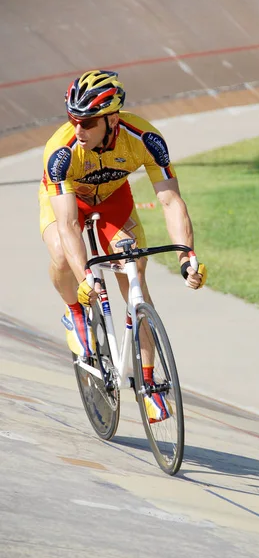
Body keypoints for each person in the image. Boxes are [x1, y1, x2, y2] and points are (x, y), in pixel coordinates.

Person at [39, 69, 207, 422]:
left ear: (112, 119)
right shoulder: (62, 150)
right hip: (69, 203)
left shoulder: (144, 138)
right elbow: (69, 225)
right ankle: (75, 316)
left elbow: (171, 201)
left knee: (135, 280)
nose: (78, 130)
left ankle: (149, 384)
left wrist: (186, 256)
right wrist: (84, 276)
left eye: (86, 122)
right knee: (62, 256)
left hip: (115, 202)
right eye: (73, 120)